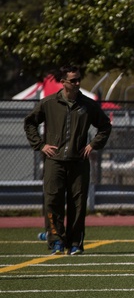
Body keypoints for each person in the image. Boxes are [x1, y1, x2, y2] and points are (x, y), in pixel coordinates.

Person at [23, 65, 112, 255]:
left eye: (79, 79)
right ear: (63, 82)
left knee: (78, 204)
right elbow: (30, 122)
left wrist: (93, 145)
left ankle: (75, 243)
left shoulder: (88, 105)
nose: (78, 83)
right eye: (73, 80)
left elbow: (105, 126)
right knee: (53, 201)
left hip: (79, 162)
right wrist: (41, 145)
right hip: (54, 161)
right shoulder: (49, 103)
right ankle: (55, 240)